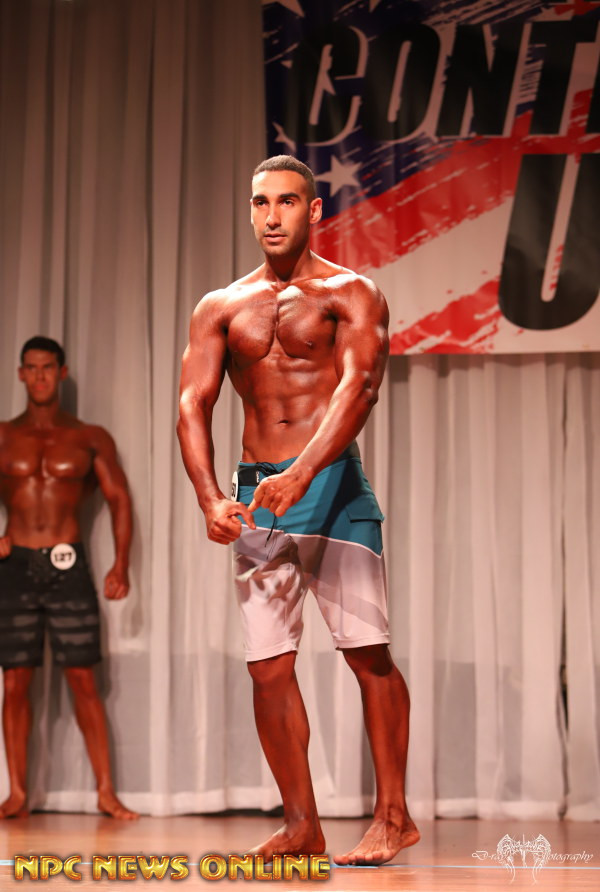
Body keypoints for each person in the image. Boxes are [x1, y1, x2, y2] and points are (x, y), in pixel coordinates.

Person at [177, 155, 419, 865]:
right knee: (267, 668)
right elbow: (192, 402)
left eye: (286, 201)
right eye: (261, 202)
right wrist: (210, 496)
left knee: (368, 655)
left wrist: (304, 471)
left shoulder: (352, 293)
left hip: (333, 487)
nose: (272, 215)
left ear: (314, 210)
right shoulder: (221, 306)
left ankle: (394, 815)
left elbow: (360, 386)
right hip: (258, 496)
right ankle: (302, 824)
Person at [0, 336, 138, 820]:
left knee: (82, 677)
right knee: (14, 681)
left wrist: (120, 564)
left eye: (47, 368)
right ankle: (17, 793)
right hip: (15, 566)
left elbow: (119, 499)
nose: (39, 376)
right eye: (31, 368)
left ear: (61, 373)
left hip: (68, 564)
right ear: (21, 373)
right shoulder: (3, 435)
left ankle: (105, 792)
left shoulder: (89, 437)